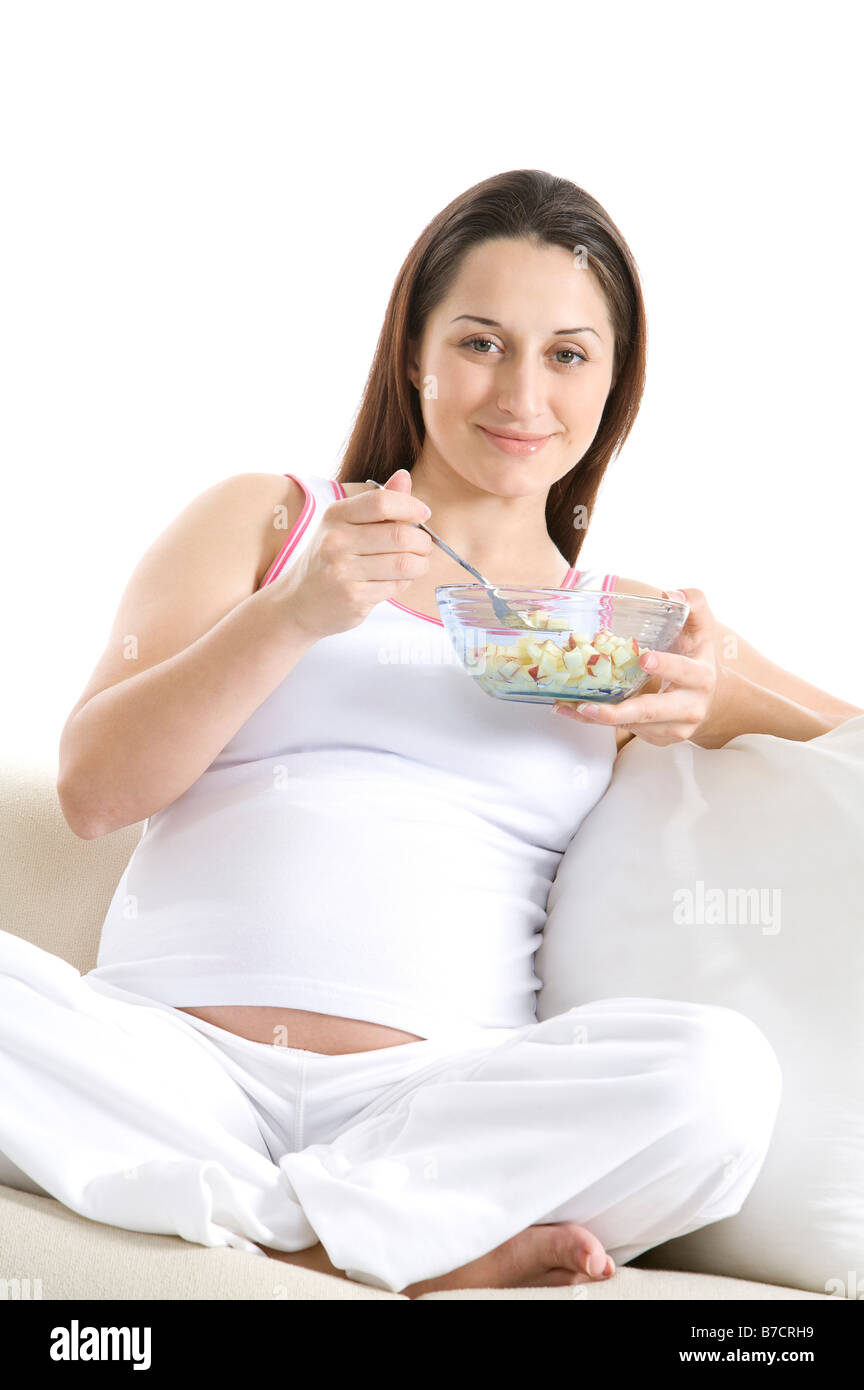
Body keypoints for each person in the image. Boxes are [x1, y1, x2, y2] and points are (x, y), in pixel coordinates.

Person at [1, 169, 801, 1297]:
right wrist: (293, 616)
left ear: (615, 384)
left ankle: (270, 1215)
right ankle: (372, 1240)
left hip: (432, 1103)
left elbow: (843, 734)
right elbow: (91, 792)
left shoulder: (629, 631)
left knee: (720, 1078)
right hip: (166, 1062)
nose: (522, 393)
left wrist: (733, 692)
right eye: (481, 342)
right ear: (413, 352)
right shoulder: (270, 522)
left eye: (568, 354)